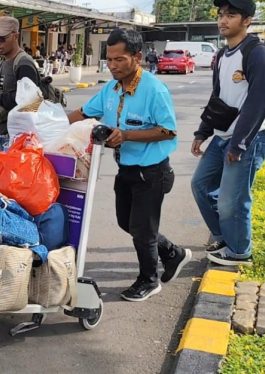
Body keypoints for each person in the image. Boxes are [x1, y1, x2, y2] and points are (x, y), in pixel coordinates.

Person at [67, 29, 191, 302]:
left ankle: (149, 280)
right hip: (126, 169)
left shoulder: (155, 90)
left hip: (152, 171)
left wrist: (127, 135)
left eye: (119, 59)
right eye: (109, 59)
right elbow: (82, 114)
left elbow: (168, 131)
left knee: (142, 229)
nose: (112, 65)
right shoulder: (110, 89)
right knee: (128, 223)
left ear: (137, 57)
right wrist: (48, 123)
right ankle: (172, 253)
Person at [191, 0, 265, 266]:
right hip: (222, 137)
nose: (223, 20)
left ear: (247, 20)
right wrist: (203, 131)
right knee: (200, 185)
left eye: (231, 15)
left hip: (248, 140)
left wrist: (239, 145)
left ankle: (240, 252)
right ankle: (225, 236)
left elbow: (259, 101)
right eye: (221, 14)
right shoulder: (222, 55)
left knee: (233, 200)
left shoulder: (256, 53)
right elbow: (219, 97)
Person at [0, 16, 40, 191]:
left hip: (17, 141)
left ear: (15, 36)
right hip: (3, 136)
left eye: (2, 38)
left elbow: (31, 102)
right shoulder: (5, 62)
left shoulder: (23, 63)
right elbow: (7, 93)